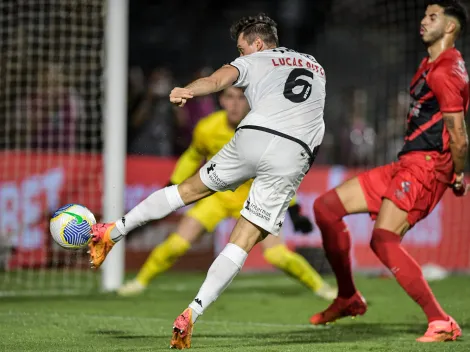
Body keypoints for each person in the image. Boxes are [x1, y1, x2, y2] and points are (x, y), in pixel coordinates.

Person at [88, 13, 326, 349]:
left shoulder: (255, 59)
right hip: (294, 152)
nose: (241, 55)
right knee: (242, 241)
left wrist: (187, 90)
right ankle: (191, 313)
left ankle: (110, 232)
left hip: (254, 135)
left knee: (185, 191)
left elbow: (216, 81)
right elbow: (315, 120)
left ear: (257, 44)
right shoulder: (315, 65)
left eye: (242, 48)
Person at [310, 0, 469, 343]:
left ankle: (442, 322)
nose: (423, 21)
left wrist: (456, 174)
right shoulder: (430, 64)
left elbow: (459, 136)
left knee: (383, 240)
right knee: (326, 208)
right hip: (406, 162)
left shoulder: (445, 71)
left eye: (433, 17)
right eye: (424, 15)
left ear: (451, 27)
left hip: (427, 167)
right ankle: (349, 297)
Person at [118, 86, 335, 301]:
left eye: (241, 98)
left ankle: (322, 288)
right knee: (177, 244)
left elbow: (278, 172)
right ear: (221, 100)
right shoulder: (208, 128)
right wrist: (173, 184)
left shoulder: (264, 129)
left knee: (277, 255)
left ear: (250, 101)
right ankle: (139, 282)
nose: (235, 104)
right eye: (229, 97)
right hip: (218, 197)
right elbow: (193, 156)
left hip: (253, 198)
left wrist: (294, 209)